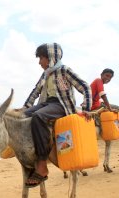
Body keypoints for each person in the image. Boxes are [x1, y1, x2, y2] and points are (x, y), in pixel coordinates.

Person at [22, 43, 92, 188]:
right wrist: (24, 108)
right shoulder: (46, 73)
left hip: (62, 106)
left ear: (51, 57)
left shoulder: (64, 71)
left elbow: (85, 86)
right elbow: (36, 91)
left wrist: (86, 107)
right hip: (47, 104)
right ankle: (30, 158)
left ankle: (41, 165)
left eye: (41, 58)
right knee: (21, 116)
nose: (39, 62)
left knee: (38, 117)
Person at [90, 68, 119, 139]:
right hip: (94, 107)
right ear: (101, 75)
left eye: (110, 77)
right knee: (117, 108)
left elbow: (95, 96)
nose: (108, 78)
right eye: (107, 75)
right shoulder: (98, 81)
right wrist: (110, 108)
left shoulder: (98, 82)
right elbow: (103, 95)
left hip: (95, 104)